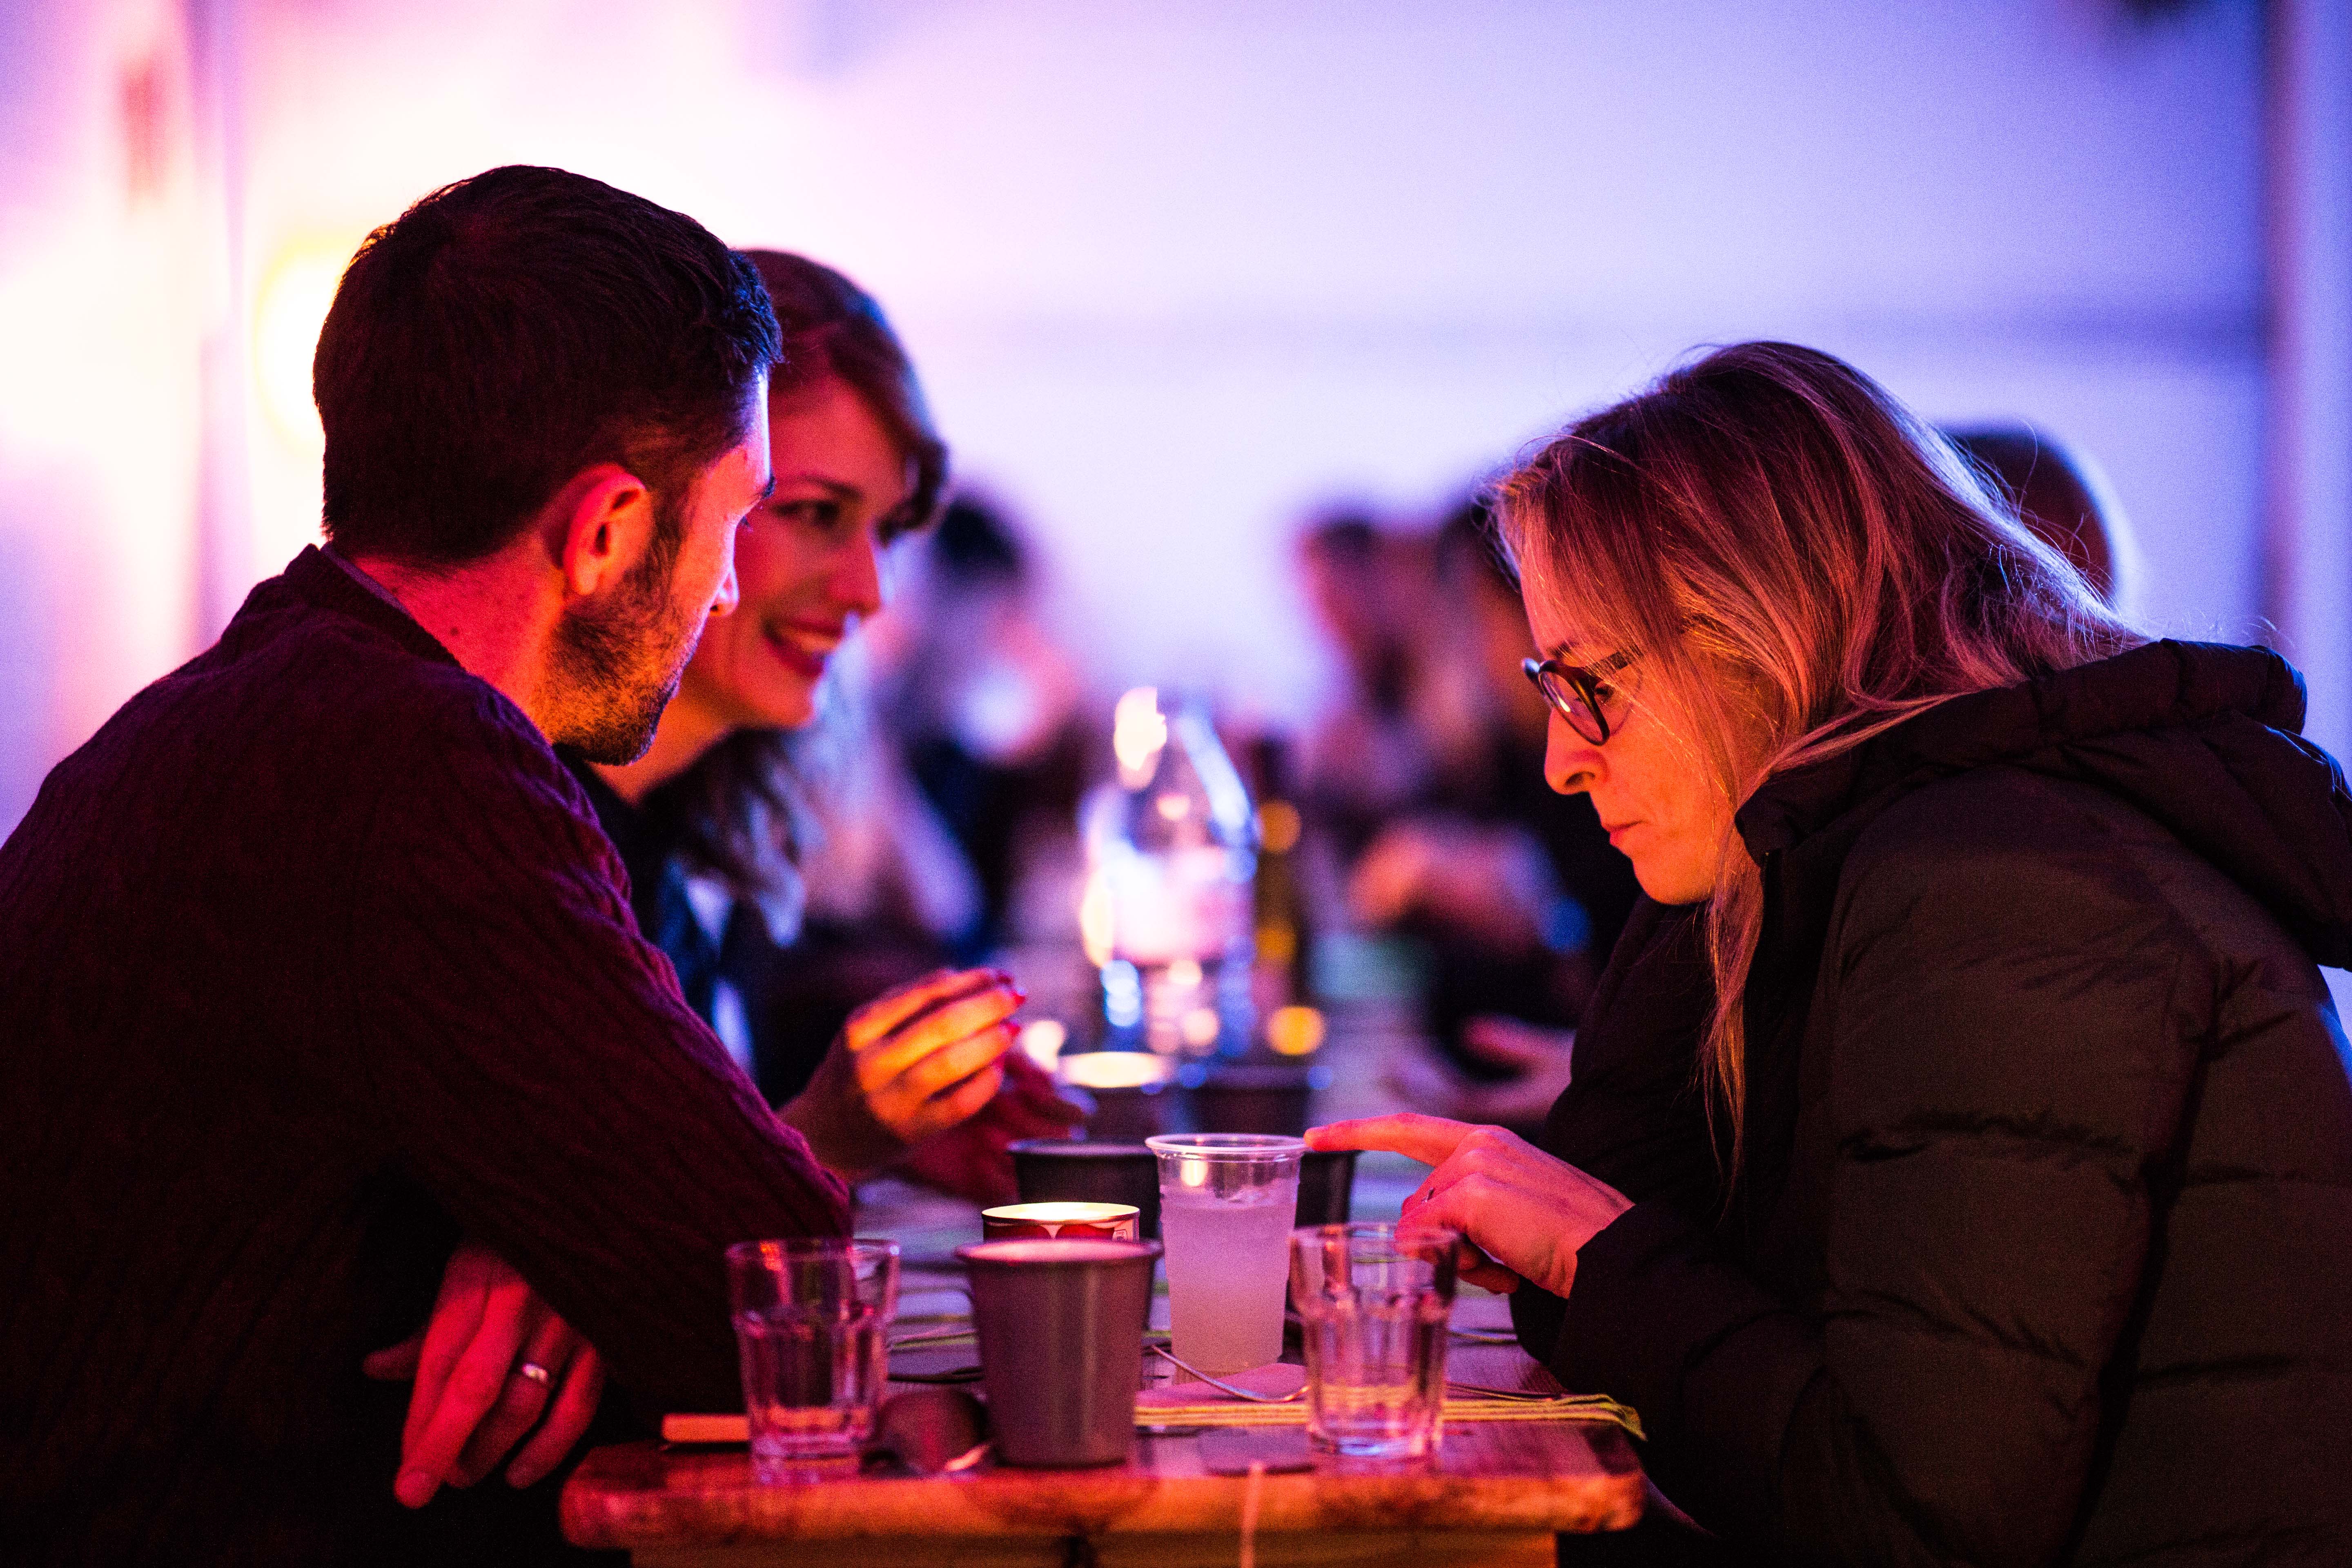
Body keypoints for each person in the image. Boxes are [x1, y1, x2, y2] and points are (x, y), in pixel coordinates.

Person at [1314, 342, 2352, 1564]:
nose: (1561, 761)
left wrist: (1600, 1257)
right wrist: (1580, 1241)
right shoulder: (1873, 861)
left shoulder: (2007, 893)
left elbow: (1909, 1520)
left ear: (1754, 640)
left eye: (1590, 684)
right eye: (1550, 687)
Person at [0, 167, 849, 1566]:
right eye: (733, 525)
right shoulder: (421, 767)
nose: (727, 589)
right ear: (607, 533)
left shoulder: (252, 705)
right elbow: (779, 1298)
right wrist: (609, 1246)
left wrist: (556, 1238)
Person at [567, 250, 1080, 1199]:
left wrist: (885, 1134)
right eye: (814, 514)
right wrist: (820, 1145)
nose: (869, 591)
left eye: (884, 531)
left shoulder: (699, 820)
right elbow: (595, 1242)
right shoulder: (536, 839)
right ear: (661, 507)